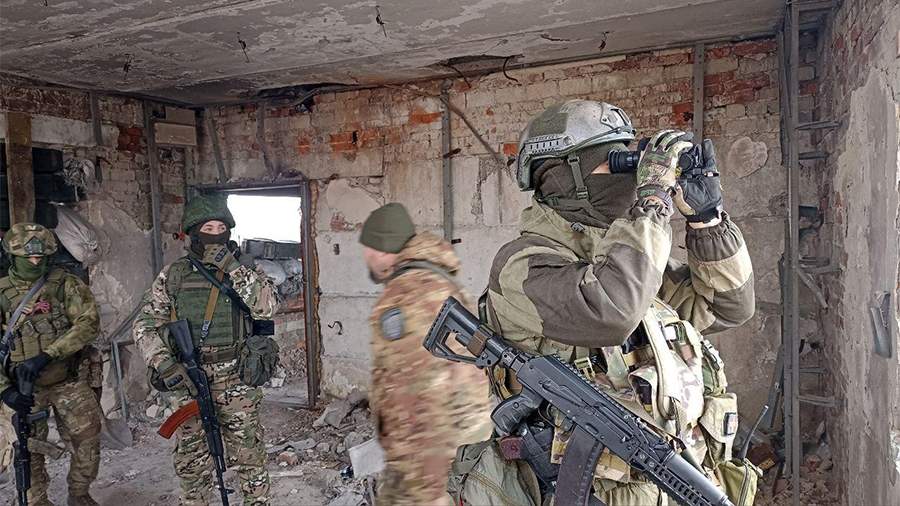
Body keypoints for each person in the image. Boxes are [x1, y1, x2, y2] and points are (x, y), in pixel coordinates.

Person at [485, 100, 755, 503]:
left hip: (672, 483)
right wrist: (652, 202)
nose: (631, 179)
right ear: (564, 176)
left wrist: (707, 220)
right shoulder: (522, 265)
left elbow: (727, 306)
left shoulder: (625, 258)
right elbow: (612, 311)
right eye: (616, 164)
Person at [133, 194, 278, 506]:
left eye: (221, 228)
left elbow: (266, 308)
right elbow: (145, 323)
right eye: (208, 228)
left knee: (250, 457)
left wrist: (233, 268)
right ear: (193, 233)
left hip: (237, 378)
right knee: (192, 463)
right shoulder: (174, 275)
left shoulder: (246, 270)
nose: (215, 234)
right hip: (188, 378)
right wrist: (164, 363)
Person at [360, 203, 492, 506]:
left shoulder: (405, 295)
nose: (365, 257)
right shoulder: (442, 283)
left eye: (368, 248)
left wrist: (411, 472)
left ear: (382, 249)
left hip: (430, 453)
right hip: (467, 441)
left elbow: (407, 392)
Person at [0, 223, 102, 506]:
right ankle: (37, 500)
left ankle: (79, 493)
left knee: (88, 439)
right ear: (12, 257)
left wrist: (48, 354)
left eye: (41, 257)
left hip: (67, 379)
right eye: (29, 258)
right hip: (23, 388)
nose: (36, 262)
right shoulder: (2, 292)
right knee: (27, 448)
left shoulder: (65, 284)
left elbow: (88, 324)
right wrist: (5, 390)